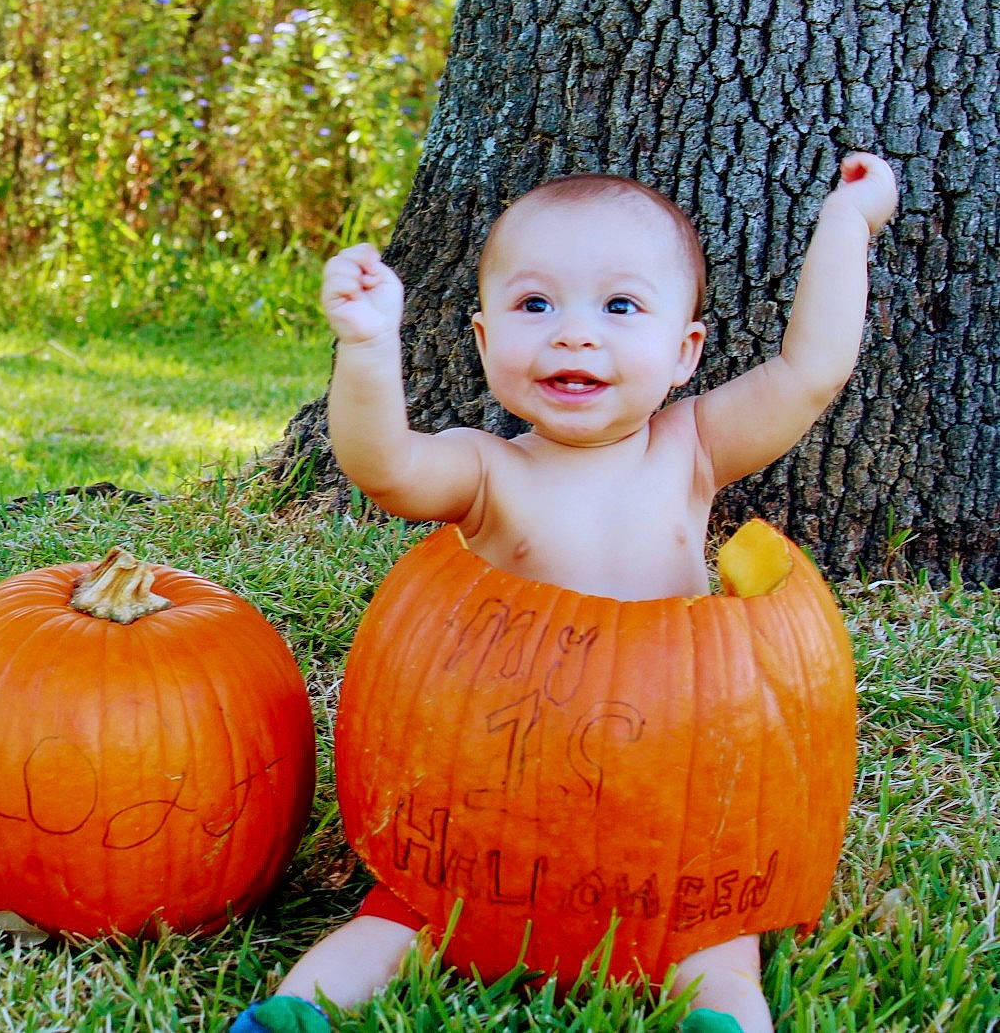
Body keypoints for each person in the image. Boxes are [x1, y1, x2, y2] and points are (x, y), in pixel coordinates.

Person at [232, 152, 898, 1033]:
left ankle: (724, 1019)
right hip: (491, 799)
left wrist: (847, 224)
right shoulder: (487, 469)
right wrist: (365, 347)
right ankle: (292, 1013)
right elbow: (384, 467)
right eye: (535, 305)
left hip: (667, 795)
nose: (573, 334)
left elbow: (809, 371)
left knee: (713, 944)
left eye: (619, 307)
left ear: (683, 352)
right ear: (483, 342)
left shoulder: (691, 450)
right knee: (402, 912)